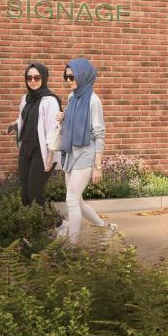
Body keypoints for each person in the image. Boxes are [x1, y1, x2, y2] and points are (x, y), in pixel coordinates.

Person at [57, 57, 111, 243]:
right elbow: (73, 122)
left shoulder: (93, 101)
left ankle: (71, 246)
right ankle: (106, 228)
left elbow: (99, 135)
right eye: (66, 77)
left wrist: (97, 166)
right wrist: (63, 116)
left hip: (86, 153)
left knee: (71, 198)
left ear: (83, 76)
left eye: (72, 77)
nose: (68, 81)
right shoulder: (73, 97)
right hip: (71, 152)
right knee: (77, 200)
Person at [8, 62, 60, 206]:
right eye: (29, 78)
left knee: (34, 193)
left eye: (37, 78)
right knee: (25, 195)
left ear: (44, 78)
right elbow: (24, 119)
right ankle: (34, 226)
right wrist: (15, 125)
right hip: (25, 149)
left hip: (42, 151)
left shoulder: (50, 100)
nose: (32, 81)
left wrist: (50, 156)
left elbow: (54, 130)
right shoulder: (26, 99)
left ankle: (60, 224)